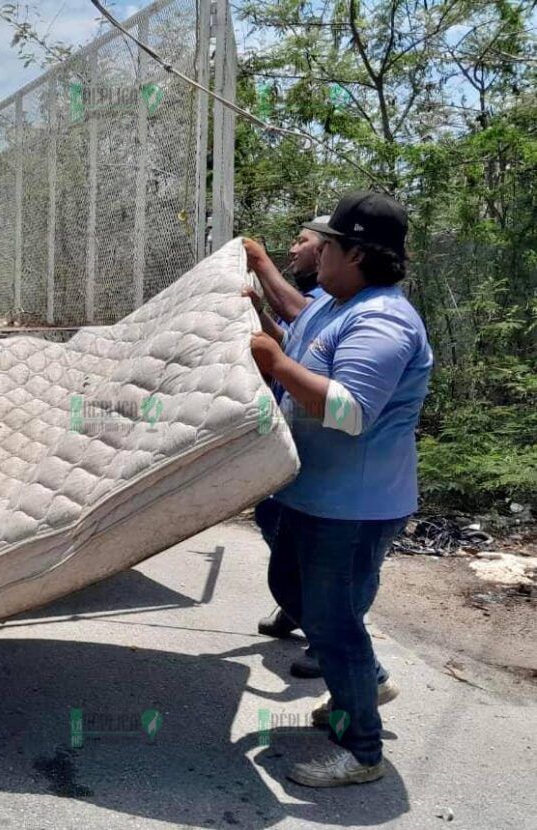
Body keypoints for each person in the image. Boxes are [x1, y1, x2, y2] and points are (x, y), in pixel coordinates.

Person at [246, 191, 433, 787]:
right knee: (296, 594)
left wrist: (275, 363)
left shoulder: (382, 320)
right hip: (312, 492)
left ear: (354, 254)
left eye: (325, 244)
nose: (316, 252)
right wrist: (267, 331)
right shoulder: (334, 303)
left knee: (333, 623)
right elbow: (302, 348)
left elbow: (352, 413)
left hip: (353, 506)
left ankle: (361, 752)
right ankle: (363, 685)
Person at [244, 219, 331, 680]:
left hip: (323, 455)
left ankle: (327, 636)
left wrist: (258, 261)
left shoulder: (333, 304)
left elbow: (296, 318)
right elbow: (287, 341)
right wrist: (258, 311)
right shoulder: (320, 304)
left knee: (307, 545)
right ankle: (297, 607)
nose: (293, 250)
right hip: (292, 436)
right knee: (273, 517)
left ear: (334, 252)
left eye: (304, 242)